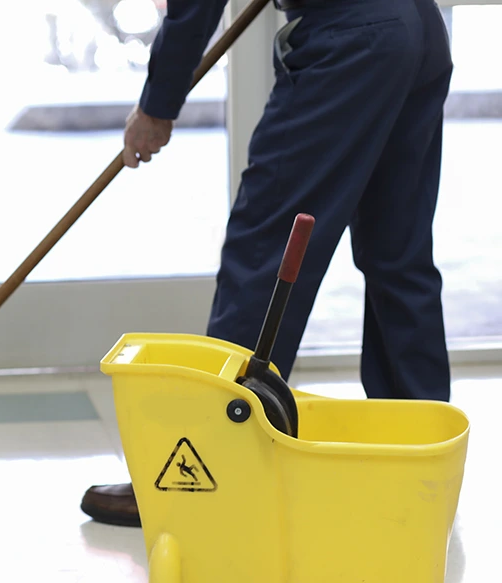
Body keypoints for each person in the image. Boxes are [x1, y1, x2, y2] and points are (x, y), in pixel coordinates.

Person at [80, 0, 454, 527]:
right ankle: (422, 468)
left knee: (267, 250)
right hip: (415, 27)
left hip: (352, 40)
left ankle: (205, 471)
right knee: (399, 255)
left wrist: (158, 105)